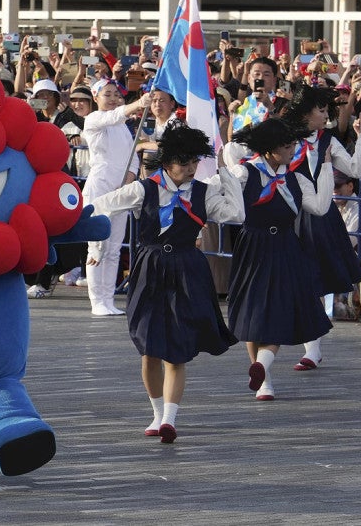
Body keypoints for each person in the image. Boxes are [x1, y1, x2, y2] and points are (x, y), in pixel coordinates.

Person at [89, 125, 244, 443]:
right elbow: (97, 208)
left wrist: (227, 174)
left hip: (187, 270)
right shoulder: (141, 190)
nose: (190, 169)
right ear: (167, 162)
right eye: (183, 163)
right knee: (149, 350)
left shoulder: (204, 192)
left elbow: (236, 215)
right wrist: (93, 244)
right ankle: (157, 413)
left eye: (194, 162)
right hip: (150, 270)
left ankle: (170, 419)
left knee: (177, 350)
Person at [225, 118, 334, 401]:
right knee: (254, 314)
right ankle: (263, 376)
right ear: (271, 150)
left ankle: (261, 366)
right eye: (287, 145)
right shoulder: (245, 174)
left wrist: (326, 166)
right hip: (253, 247)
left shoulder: (296, 178)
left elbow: (320, 207)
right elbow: (222, 180)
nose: (293, 149)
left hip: (285, 247)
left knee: (279, 311)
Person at [280, 85, 361, 371]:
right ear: (306, 113)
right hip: (287, 211)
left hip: (318, 216)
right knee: (294, 280)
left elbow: (356, 170)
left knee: (313, 279)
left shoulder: (327, 140)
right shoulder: (284, 138)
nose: (325, 115)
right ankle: (306, 344)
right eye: (321, 110)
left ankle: (313, 348)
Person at [82, 79, 147, 316]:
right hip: (99, 188)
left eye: (114, 94)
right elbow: (114, 116)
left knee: (114, 248)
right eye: (106, 94)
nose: (111, 98)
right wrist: (139, 103)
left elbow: (133, 157)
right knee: (97, 246)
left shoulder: (123, 126)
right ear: (96, 97)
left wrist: (130, 177)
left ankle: (108, 299)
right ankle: (96, 299)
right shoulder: (95, 119)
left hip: (120, 191)